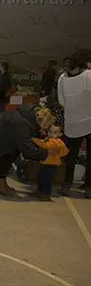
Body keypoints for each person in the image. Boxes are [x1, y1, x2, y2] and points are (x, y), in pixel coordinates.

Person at [57, 50, 91, 198]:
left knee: (71, 154)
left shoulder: (62, 78)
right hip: (89, 120)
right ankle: (89, 187)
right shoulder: (89, 76)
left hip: (72, 121)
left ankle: (67, 184)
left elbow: (61, 101)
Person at [30, 125, 69, 201]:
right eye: (50, 131)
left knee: (47, 180)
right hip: (45, 163)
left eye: (55, 132)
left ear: (60, 134)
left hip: (50, 164)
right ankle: (40, 192)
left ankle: (46, 194)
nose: (51, 134)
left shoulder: (56, 142)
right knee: (40, 178)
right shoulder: (51, 140)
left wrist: (34, 139)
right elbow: (64, 152)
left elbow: (45, 145)